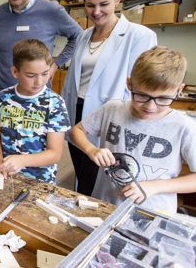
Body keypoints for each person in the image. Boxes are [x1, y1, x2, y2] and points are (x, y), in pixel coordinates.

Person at [61, 0, 157, 196]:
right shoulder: (84, 36)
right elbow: (75, 81)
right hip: (78, 113)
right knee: (81, 172)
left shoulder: (139, 35)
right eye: (90, 5)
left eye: (103, 4)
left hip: (110, 116)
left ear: (117, 0)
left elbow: (140, 86)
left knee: (100, 180)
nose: (96, 11)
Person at [69, 47, 196, 212]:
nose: (150, 106)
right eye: (142, 96)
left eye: (163, 98)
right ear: (129, 84)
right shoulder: (112, 109)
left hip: (152, 212)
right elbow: (76, 131)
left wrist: (154, 187)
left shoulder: (184, 126)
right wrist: (92, 150)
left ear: (179, 90)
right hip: (105, 204)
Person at [0, 39, 71, 183]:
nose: (39, 81)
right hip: (6, 174)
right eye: (31, 75)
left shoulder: (55, 103)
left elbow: (55, 153)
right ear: (15, 72)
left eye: (45, 73)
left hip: (40, 180)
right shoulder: (3, 97)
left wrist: (23, 160)